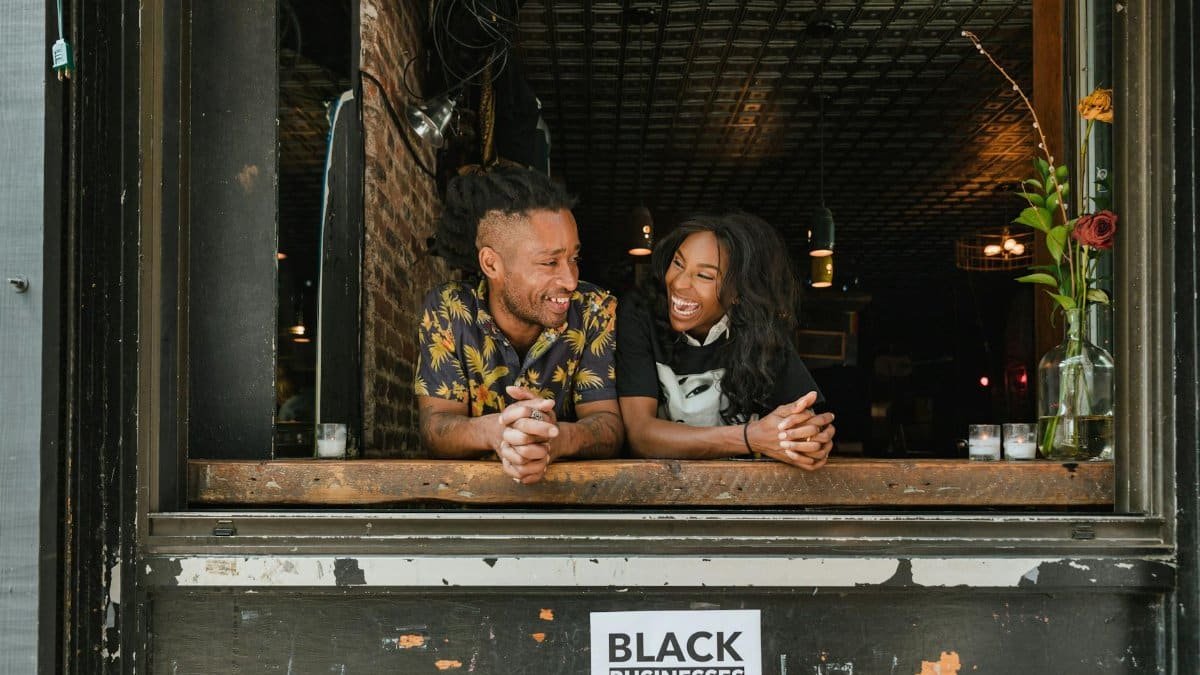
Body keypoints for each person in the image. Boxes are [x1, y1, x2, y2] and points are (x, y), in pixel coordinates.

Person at [415, 166, 623, 483]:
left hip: (571, 499)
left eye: (573, 259)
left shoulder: (594, 309)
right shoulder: (449, 309)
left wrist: (555, 438)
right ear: (492, 264)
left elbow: (608, 425)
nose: (570, 280)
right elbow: (435, 428)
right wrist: (497, 432)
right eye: (549, 262)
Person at [615, 210, 836, 469]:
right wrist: (750, 438)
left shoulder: (761, 329)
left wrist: (808, 439)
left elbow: (802, 420)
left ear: (738, 292)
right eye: (678, 263)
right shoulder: (640, 313)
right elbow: (641, 435)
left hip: (742, 490)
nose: (679, 283)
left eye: (705, 276)